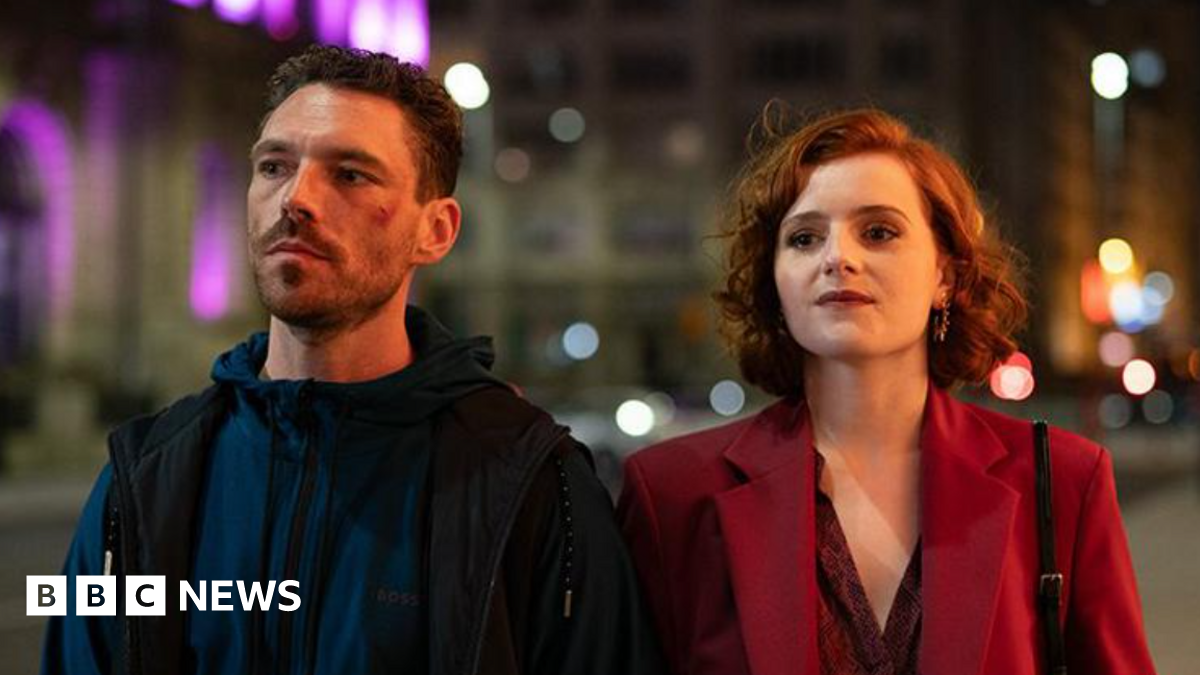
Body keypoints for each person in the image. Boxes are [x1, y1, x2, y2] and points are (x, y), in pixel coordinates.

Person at [43, 45, 663, 675]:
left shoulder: (531, 480)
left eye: (350, 175)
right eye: (274, 166)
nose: (296, 198)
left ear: (436, 231)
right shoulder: (145, 475)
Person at [618, 108, 1157, 675]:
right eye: (803, 238)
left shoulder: (1063, 480)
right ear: (773, 282)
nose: (838, 258)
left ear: (944, 274)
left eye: (878, 232)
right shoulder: (672, 495)